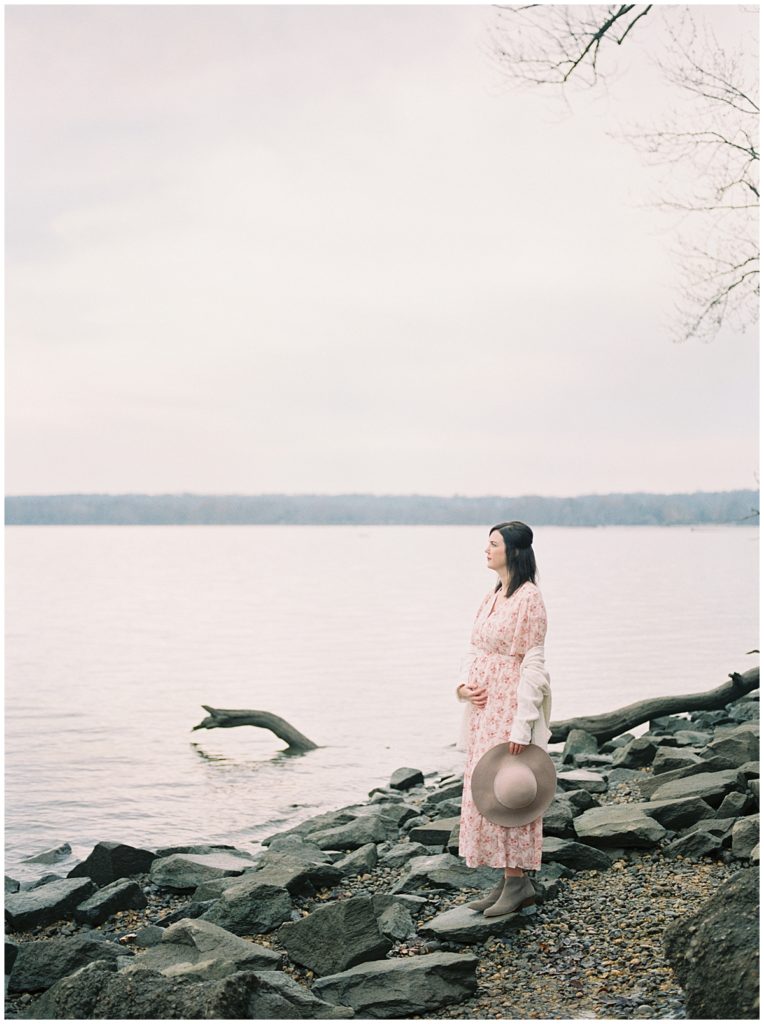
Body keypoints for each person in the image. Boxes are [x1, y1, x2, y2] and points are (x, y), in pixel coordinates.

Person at [455, 520, 552, 917]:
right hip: (482, 709)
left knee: (510, 788)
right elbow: (474, 651)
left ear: (512, 551)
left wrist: (522, 723)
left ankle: (519, 881)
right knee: (486, 792)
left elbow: (534, 664)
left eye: (493, 544)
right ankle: (507, 879)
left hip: (509, 706)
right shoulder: (492, 595)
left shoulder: (530, 598)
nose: (486, 550)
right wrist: (462, 688)